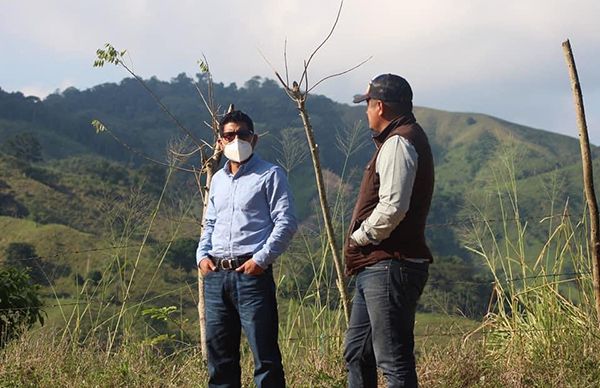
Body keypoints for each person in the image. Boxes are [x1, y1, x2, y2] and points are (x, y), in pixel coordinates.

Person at [343, 74, 434, 388]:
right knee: (358, 354)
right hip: (380, 265)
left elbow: (393, 207)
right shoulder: (401, 138)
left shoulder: (399, 142)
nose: (366, 111)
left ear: (379, 106)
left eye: (367, 104)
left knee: (393, 361)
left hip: (390, 263)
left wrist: (360, 237)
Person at [196, 109, 297, 388]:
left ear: (254, 139)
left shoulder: (270, 174)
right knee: (220, 360)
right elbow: (210, 222)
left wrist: (261, 260)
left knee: (264, 358)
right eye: (229, 135)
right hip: (216, 276)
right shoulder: (217, 179)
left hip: (251, 275)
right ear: (220, 141)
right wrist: (201, 256)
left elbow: (286, 223)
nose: (236, 139)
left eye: (242, 134)